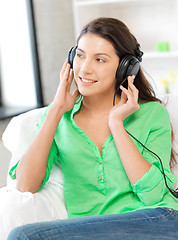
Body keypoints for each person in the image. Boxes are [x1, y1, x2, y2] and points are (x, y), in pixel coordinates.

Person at [7, 17, 178, 240]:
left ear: (126, 67)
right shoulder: (60, 120)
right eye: (80, 55)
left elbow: (153, 196)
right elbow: (25, 185)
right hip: (93, 232)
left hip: (158, 222)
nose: (84, 69)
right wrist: (56, 110)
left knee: (25, 237)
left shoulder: (151, 114)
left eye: (99, 59)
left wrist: (117, 125)